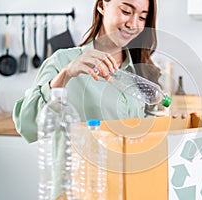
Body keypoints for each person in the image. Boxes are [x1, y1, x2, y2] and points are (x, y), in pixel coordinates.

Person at [13, 0, 161, 143]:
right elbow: (27, 127)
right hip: (81, 168)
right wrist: (65, 75)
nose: (133, 24)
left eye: (142, 18)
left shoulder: (141, 71)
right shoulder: (62, 61)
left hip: (133, 168)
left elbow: (148, 135)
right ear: (102, 5)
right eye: (126, 11)